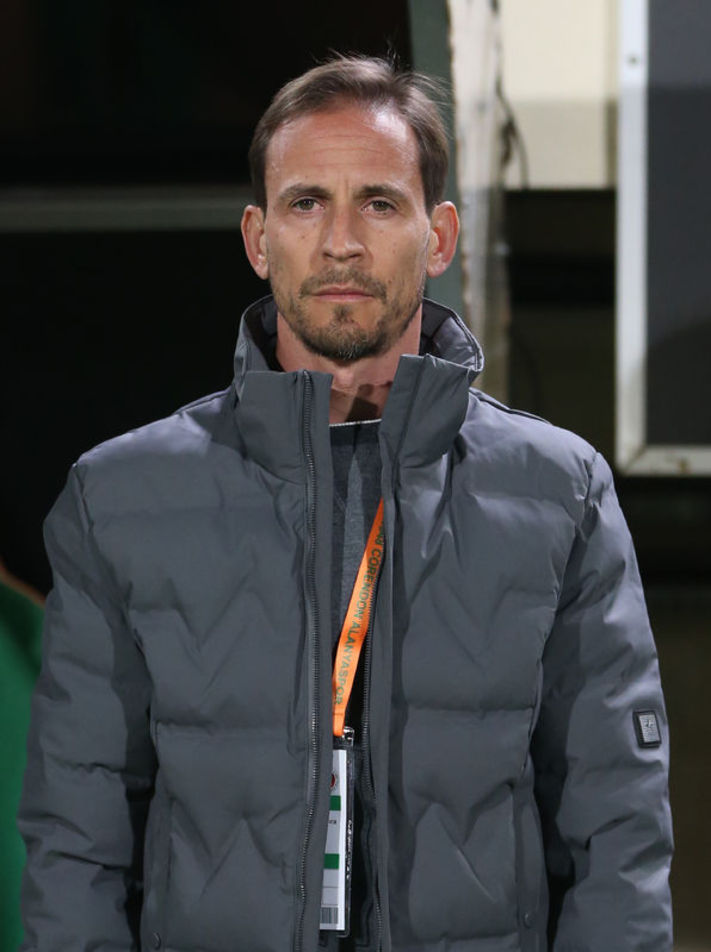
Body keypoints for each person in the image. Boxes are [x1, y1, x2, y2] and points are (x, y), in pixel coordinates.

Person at [18, 55, 672, 952]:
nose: (340, 243)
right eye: (304, 203)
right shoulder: (120, 498)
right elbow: (76, 840)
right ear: (258, 239)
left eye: (378, 203)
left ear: (438, 237)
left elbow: (618, 832)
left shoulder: (559, 492)